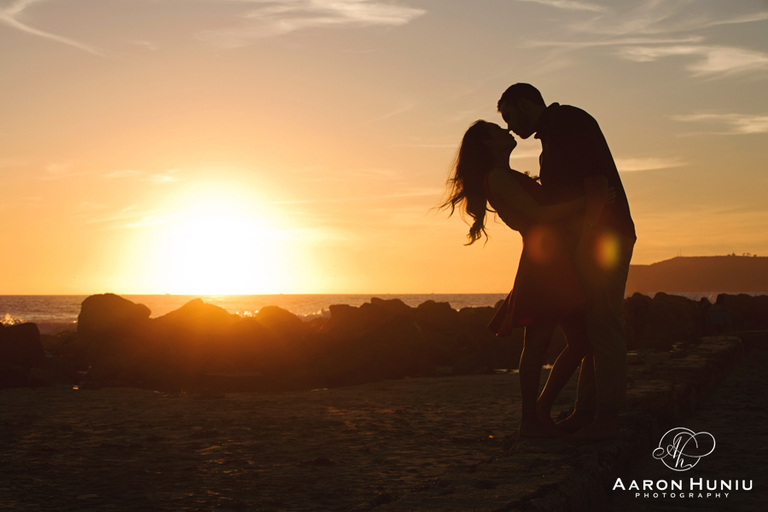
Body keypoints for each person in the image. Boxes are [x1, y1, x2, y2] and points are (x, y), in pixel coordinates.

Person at [440, 120, 610, 437]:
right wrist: (589, 199)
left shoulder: (508, 176)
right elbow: (541, 216)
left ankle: (539, 412)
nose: (507, 131)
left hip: (554, 259)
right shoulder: (498, 177)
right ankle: (530, 421)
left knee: (580, 341)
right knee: (537, 344)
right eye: (497, 130)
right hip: (542, 263)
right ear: (489, 144)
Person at [498, 83, 636, 441]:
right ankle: (586, 411)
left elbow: (596, 181)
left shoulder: (567, 121)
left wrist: (588, 234)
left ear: (526, 104)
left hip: (604, 238)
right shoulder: (551, 136)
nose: (510, 127)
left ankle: (607, 416)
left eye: (510, 116)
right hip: (589, 241)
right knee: (592, 327)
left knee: (604, 323)